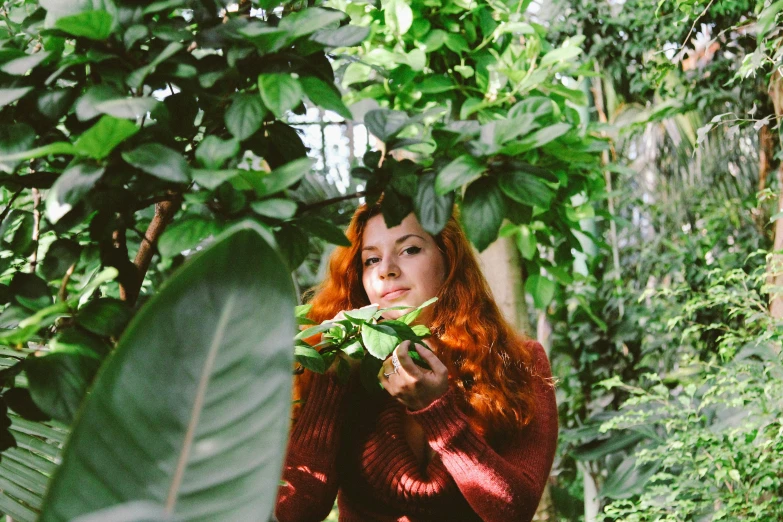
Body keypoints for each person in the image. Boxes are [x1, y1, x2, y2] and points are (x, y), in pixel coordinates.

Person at [275, 202, 558, 522]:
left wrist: (437, 411)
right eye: (371, 259)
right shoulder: (336, 360)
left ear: (448, 258)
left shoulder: (518, 361)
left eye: (409, 249)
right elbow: (292, 512)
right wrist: (332, 379)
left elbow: (514, 511)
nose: (386, 269)